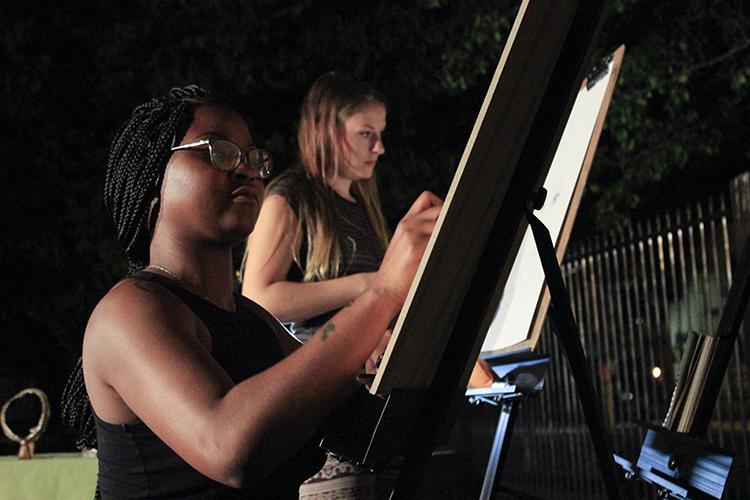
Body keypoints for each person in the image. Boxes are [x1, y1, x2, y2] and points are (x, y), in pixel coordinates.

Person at [62, 85, 442, 499]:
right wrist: (381, 293)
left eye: (253, 158)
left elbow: (364, 432)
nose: (246, 169)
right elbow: (228, 448)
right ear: (154, 176)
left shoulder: (253, 321)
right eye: (219, 151)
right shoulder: (130, 310)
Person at [241, 73, 493, 498]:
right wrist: (365, 285)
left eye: (380, 134)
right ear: (326, 130)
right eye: (366, 134)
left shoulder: (363, 208)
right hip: (319, 417)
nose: (379, 147)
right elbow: (258, 297)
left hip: (369, 405)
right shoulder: (291, 195)